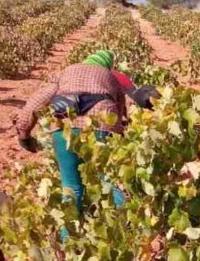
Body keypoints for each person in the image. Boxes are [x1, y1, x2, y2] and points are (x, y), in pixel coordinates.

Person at [13, 50, 130, 213]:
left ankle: (68, 236)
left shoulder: (67, 72)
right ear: (107, 65)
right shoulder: (110, 77)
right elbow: (121, 110)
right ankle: (124, 230)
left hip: (64, 128)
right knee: (109, 183)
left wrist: (24, 133)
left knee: (71, 189)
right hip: (101, 127)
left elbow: (37, 101)